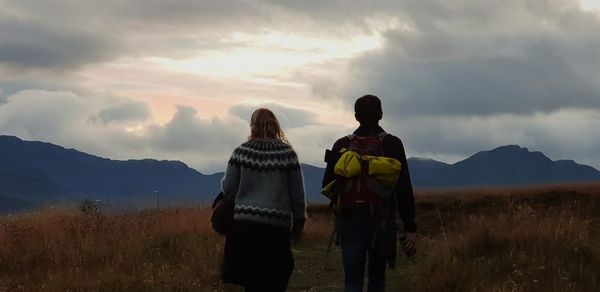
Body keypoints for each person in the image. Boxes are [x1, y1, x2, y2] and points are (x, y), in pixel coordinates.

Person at [322, 95, 417, 292]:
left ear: (356, 116)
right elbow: (403, 189)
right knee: (377, 279)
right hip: (382, 222)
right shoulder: (393, 144)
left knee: (352, 281)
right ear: (381, 114)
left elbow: (327, 185)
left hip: (349, 221)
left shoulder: (341, 145)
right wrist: (410, 227)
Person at [221, 108, 307, 292]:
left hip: (244, 227)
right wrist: (299, 223)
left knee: (251, 281)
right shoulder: (287, 154)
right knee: (276, 279)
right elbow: (297, 195)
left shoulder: (241, 152)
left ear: (252, 126)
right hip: (276, 228)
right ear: (276, 125)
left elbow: (229, 190)